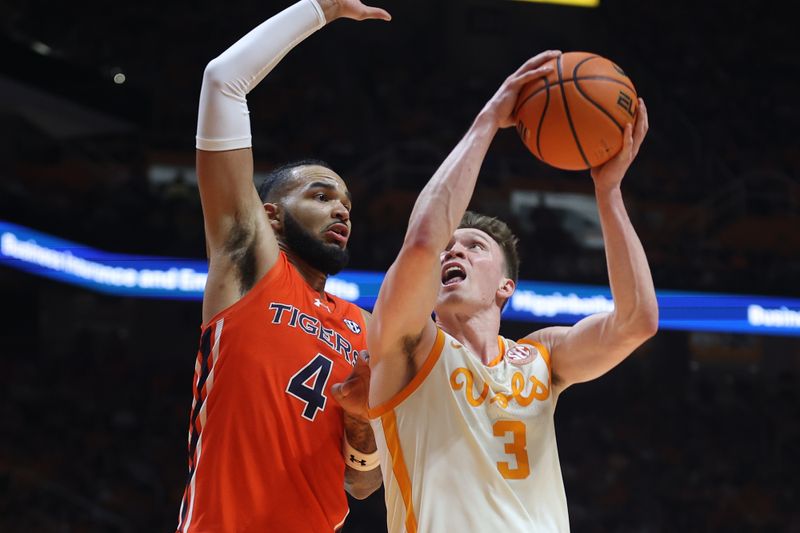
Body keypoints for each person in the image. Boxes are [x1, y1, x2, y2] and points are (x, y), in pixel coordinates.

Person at [365, 51, 658, 531]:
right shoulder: (407, 348)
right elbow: (422, 242)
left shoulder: (542, 357)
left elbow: (637, 322)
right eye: (449, 247)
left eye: (474, 246)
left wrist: (609, 194)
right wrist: (488, 120)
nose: (451, 253)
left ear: (507, 287)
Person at [176, 1, 390, 531]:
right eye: (320, 195)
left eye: (346, 203)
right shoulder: (250, 265)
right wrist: (323, 8)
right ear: (270, 217)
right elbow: (223, 81)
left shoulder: (363, 327)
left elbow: (361, 483)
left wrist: (363, 423)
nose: (341, 208)